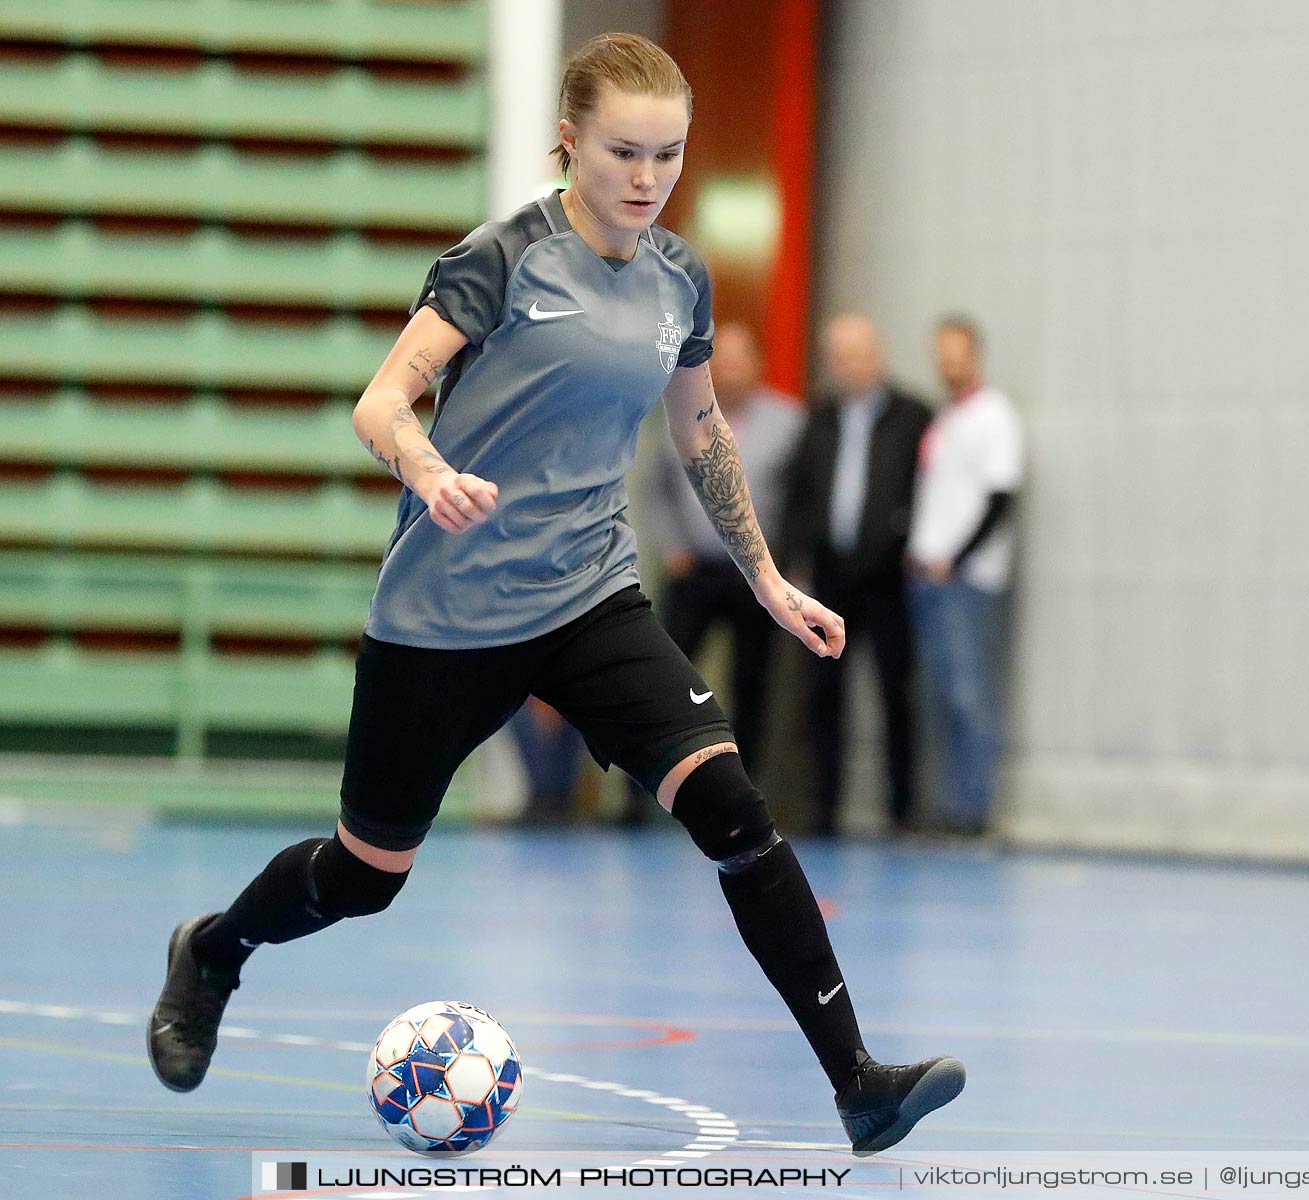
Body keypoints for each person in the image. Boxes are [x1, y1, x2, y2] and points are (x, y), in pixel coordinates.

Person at [145, 32, 963, 1156]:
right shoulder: (501, 258)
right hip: (442, 618)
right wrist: (429, 471)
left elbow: (701, 430)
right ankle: (216, 949)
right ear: (567, 142)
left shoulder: (679, 277)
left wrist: (767, 577)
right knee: (363, 875)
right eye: (624, 151)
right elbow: (381, 401)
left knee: (733, 812)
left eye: (668, 155)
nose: (646, 176)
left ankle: (858, 1085)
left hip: (590, 597)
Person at [782, 315, 931, 836]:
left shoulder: (912, 416)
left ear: (878, 355)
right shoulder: (819, 418)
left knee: (897, 693)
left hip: (889, 577)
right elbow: (798, 492)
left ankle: (902, 813)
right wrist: (795, 558)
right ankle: (824, 811)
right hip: (830, 578)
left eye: (857, 354)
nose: (849, 365)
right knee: (825, 695)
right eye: (839, 356)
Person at [643, 320, 802, 778]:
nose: (731, 370)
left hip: (756, 575)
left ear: (758, 365)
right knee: (669, 673)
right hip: (694, 568)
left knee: (751, 681)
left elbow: (800, 498)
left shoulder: (788, 422)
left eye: (740, 360)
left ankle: (743, 785)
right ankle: (647, 786)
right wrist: (672, 545)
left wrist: (781, 564)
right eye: (722, 359)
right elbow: (656, 489)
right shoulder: (681, 411)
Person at [906, 316, 1023, 836]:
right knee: (940, 695)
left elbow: (1001, 499)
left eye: (958, 352)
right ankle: (950, 803)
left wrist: (955, 558)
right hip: (929, 578)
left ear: (976, 354)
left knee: (967, 693)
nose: (948, 363)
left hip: (965, 580)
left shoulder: (993, 417)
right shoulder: (946, 419)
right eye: (941, 353)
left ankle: (973, 812)